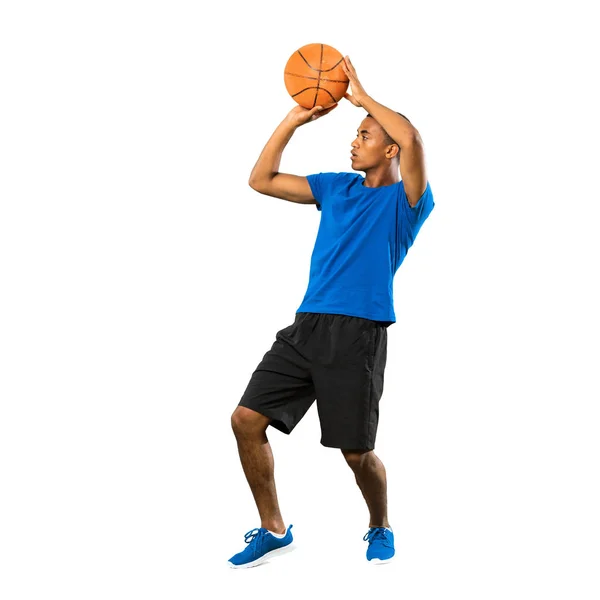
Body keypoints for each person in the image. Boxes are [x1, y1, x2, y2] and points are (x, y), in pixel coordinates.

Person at [228, 56, 435, 568]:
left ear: (388, 147)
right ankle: (273, 528)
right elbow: (261, 179)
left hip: (358, 334)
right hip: (307, 326)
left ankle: (379, 525)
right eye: (355, 133)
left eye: (364, 134)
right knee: (245, 419)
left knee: (356, 453)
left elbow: (414, 141)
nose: (353, 140)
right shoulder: (334, 188)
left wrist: (363, 96)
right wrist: (295, 118)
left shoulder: (407, 202)